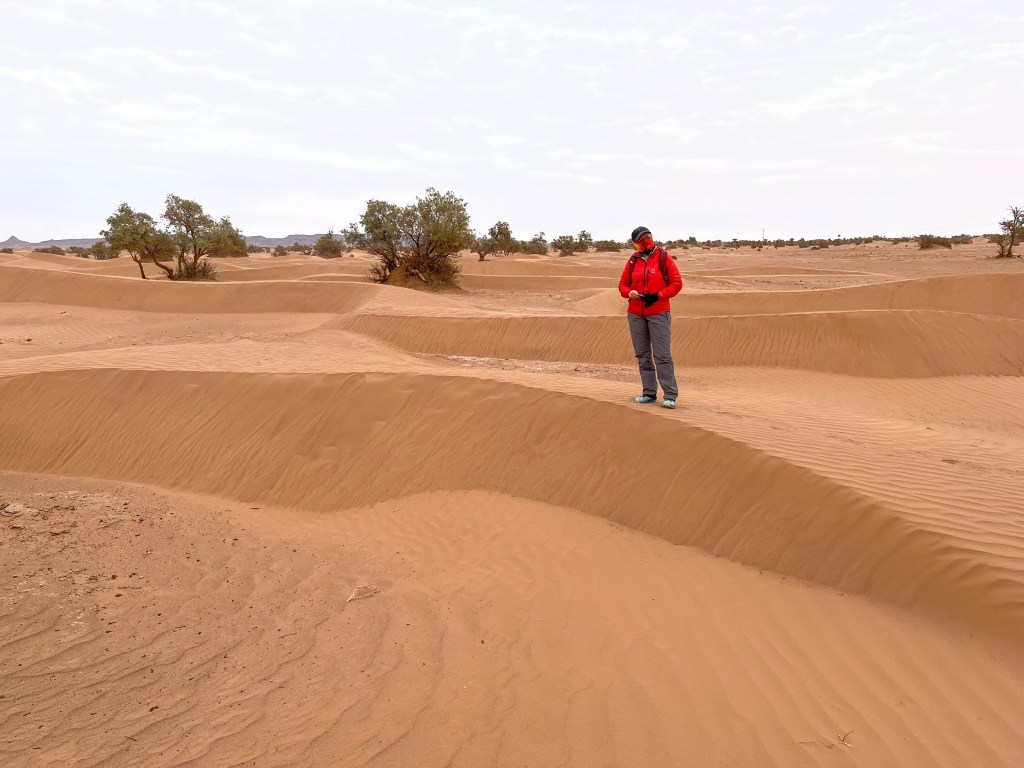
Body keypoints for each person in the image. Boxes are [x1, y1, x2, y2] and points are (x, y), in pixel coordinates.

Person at [618, 226, 683, 408]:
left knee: (662, 355)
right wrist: (629, 293)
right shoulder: (633, 260)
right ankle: (649, 393)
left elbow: (677, 283)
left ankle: (670, 395)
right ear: (635, 243)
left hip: (659, 312)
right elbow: (622, 285)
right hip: (636, 313)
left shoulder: (663, 257)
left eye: (647, 238)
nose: (645, 242)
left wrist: (659, 295)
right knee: (643, 355)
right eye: (641, 240)